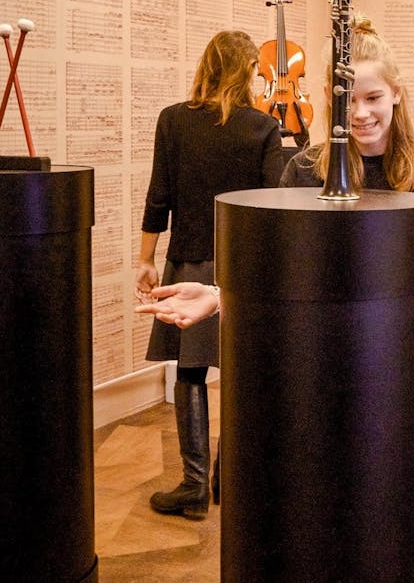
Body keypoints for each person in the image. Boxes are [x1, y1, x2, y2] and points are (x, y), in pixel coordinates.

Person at [137, 17, 414, 583]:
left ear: (396, 95)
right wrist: (216, 295)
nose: (360, 113)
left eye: (374, 97)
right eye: (346, 99)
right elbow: (276, 278)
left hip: (407, 370)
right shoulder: (304, 169)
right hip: (319, 378)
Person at [136, 30, 284, 519]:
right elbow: (274, 204)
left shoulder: (173, 120)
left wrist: (146, 259)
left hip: (187, 262)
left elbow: (160, 197)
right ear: (247, 72)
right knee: (242, 374)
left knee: (190, 374)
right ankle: (229, 479)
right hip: (243, 271)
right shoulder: (263, 128)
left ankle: (194, 485)